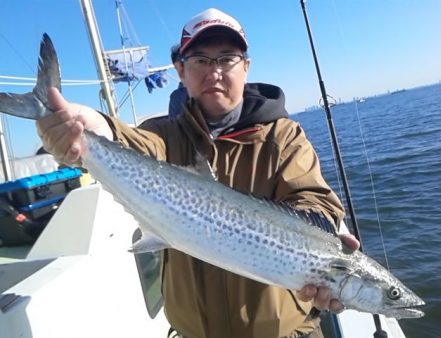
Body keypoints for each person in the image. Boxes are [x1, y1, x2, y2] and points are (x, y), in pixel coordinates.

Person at [37, 8, 359, 338]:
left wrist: (321, 242)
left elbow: (314, 199)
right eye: (201, 60)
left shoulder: (284, 137)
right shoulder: (163, 135)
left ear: (245, 67)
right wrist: (92, 127)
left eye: (227, 59)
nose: (214, 72)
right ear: (180, 70)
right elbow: (130, 144)